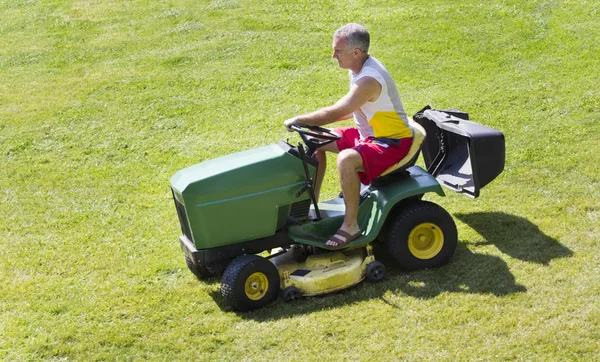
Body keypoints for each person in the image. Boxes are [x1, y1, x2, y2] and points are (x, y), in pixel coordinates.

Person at [284, 23, 413, 249]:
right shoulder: (357, 69)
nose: (333, 56)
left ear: (356, 53)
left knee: (346, 160)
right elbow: (352, 109)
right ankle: (308, 209)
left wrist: (299, 119)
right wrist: (313, 125)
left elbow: (338, 111)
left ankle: (350, 226)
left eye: (338, 51)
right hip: (369, 135)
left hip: (391, 141)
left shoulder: (368, 80)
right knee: (315, 140)